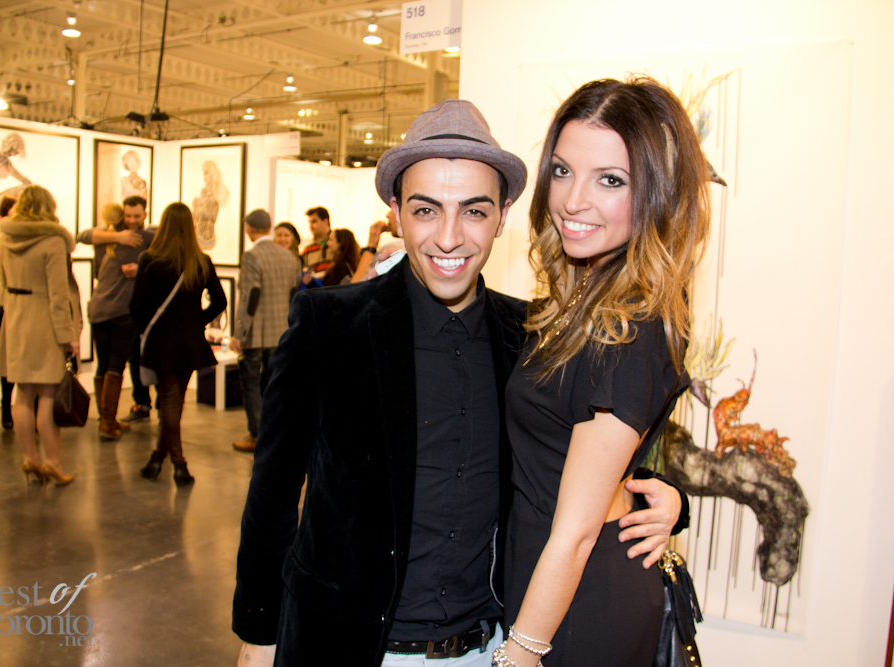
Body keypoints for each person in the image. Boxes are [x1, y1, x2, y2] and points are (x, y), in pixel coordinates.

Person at [231, 99, 686, 667]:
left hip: (485, 647)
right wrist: (259, 633)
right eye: (426, 210)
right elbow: (272, 494)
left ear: (503, 215)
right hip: (348, 647)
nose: (449, 238)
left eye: (473, 211)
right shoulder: (330, 326)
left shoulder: (528, 334)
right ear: (396, 213)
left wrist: (663, 497)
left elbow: (563, 458)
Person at [496, 78, 711, 667]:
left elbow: (577, 533)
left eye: (610, 180)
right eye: (563, 171)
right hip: (548, 579)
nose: (573, 200)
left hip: (579, 599)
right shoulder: (578, 300)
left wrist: (519, 654)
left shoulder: (634, 326)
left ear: (655, 196)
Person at [129, 202, 226, 486]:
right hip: (190, 341)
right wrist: (198, 321)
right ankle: (156, 458)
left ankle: (179, 464)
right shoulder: (201, 261)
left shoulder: (150, 260)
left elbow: (136, 306)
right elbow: (220, 301)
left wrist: (149, 328)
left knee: (170, 401)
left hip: (162, 341)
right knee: (175, 400)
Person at [0, 185, 82, 487]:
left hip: (15, 318)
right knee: (47, 394)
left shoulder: (4, 240)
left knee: (23, 393)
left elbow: (3, 286)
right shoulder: (53, 241)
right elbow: (58, 294)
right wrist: (69, 336)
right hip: (44, 320)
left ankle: (30, 458)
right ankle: (52, 462)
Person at [76, 196, 157, 439]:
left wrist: (139, 263)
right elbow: (82, 235)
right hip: (119, 310)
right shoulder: (124, 237)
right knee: (114, 366)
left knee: (105, 365)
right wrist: (119, 236)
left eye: (136, 216)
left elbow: (84, 236)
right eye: (128, 216)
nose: (131, 220)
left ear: (145, 214)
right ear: (122, 215)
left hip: (100, 309)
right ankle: (107, 423)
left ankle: (106, 419)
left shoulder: (133, 237)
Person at [230, 209, 300, 453]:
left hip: (256, 332)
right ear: (269, 228)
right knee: (274, 384)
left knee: (250, 383)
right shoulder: (287, 256)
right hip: (280, 329)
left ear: (249, 229)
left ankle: (257, 435)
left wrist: (239, 332)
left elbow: (251, 295)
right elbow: (292, 292)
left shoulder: (251, 256)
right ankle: (275, 433)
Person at [0, 196, 18, 429]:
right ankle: (6, 407)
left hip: (23, 305)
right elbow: (1, 251)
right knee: (8, 359)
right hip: (7, 304)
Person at [299, 206, 333, 277]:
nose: (311, 226)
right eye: (310, 222)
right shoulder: (308, 249)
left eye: (314, 221)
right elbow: (305, 274)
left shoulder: (338, 242)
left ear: (325, 221)